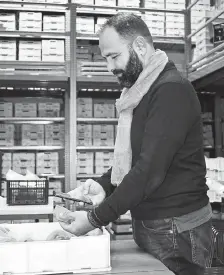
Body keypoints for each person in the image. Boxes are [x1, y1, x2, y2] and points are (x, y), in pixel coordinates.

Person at [59, 13, 214, 275]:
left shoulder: (170, 90)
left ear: (140, 46)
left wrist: (93, 219)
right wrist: (103, 185)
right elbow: (134, 160)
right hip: (156, 226)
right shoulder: (139, 92)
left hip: (180, 232)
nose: (110, 67)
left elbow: (149, 171)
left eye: (113, 56)